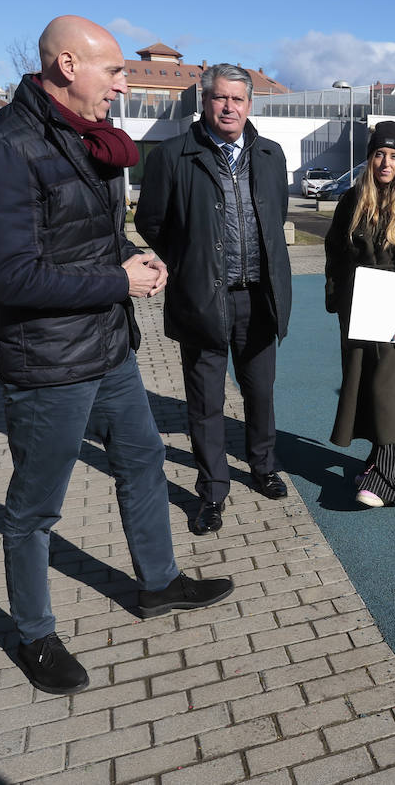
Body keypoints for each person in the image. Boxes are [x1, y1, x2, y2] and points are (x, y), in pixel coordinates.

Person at [0, 16, 234, 695]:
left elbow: (86, 236)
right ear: (67, 65)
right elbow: (13, 278)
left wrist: (126, 257)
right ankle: (33, 634)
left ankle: (158, 584)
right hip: (47, 361)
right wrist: (120, 281)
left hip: (108, 347)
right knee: (35, 509)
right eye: (112, 70)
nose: (123, 82)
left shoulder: (89, 139)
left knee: (139, 459)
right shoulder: (2, 151)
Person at [136, 64, 293, 535]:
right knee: (204, 402)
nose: (229, 107)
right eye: (220, 99)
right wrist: (189, 262)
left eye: (238, 100)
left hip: (257, 297)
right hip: (203, 297)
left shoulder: (270, 154)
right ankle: (212, 491)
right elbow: (151, 221)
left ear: (250, 105)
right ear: (205, 102)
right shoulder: (172, 155)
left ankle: (262, 467)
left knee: (259, 393)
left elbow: (275, 216)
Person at [324, 121, 395, 507]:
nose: (385, 163)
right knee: (362, 386)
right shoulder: (351, 201)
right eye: (379, 155)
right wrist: (337, 298)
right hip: (357, 308)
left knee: (386, 389)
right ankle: (380, 467)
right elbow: (335, 253)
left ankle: (388, 481)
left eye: (393, 156)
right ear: (370, 158)